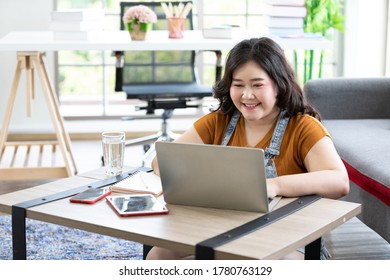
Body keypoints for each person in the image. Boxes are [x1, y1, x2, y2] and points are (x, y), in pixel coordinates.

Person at [147, 37, 350, 260]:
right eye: (238, 84)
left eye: (257, 84)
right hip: (222, 229)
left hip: (290, 238)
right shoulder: (218, 121)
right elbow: (162, 162)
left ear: (278, 85)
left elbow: (339, 182)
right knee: (158, 256)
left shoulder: (304, 127)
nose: (247, 95)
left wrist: (274, 185)